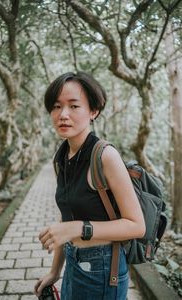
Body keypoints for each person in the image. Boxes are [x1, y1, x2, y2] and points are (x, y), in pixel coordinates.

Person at [34, 71, 145, 300]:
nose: (63, 114)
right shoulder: (62, 157)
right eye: (56, 106)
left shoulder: (105, 156)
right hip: (74, 263)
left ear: (93, 111)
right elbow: (68, 220)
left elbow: (136, 226)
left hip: (103, 269)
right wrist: (55, 271)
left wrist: (79, 228)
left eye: (74, 106)